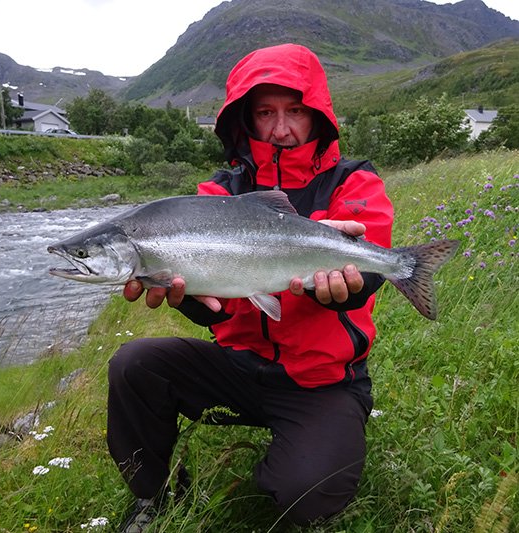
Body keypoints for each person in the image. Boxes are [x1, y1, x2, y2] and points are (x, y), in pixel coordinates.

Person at [108, 43, 393, 531]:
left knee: (303, 495)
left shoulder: (355, 183)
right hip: (237, 368)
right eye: (265, 112)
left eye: (295, 111)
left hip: (322, 381)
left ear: (318, 115)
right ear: (245, 120)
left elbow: (367, 269)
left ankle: (298, 458)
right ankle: (155, 496)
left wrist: (354, 282)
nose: (281, 128)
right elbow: (214, 306)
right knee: (134, 364)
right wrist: (195, 304)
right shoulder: (216, 196)